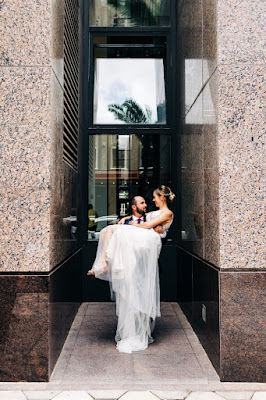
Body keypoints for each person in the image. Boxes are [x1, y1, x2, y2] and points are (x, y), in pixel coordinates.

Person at [87, 185, 175, 354]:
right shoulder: (152, 212)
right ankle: (106, 264)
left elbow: (148, 225)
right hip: (144, 237)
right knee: (108, 230)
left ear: (162, 198)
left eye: (155, 197)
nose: (153, 200)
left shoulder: (167, 213)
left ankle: (107, 265)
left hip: (149, 240)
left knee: (118, 232)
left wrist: (129, 227)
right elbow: (141, 217)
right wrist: (126, 218)